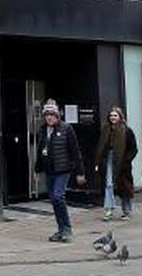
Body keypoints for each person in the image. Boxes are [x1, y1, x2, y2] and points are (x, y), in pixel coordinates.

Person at [34, 99, 84, 243]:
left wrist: (80, 172)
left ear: (57, 115)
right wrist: (37, 170)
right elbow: (40, 150)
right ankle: (61, 229)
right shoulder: (43, 130)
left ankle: (67, 229)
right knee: (54, 200)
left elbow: (75, 152)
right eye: (47, 115)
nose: (49, 117)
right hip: (49, 170)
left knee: (58, 196)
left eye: (52, 114)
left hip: (63, 169)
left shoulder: (67, 129)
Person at [94, 106, 137, 221]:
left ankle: (126, 211)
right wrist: (99, 160)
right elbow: (101, 146)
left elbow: (133, 149)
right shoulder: (105, 129)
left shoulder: (126, 131)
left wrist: (126, 160)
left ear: (120, 117)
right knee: (108, 184)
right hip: (108, 158)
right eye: (111, 115)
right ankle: (108, 210)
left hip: (122, 161)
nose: (112, 117)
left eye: (115, 115)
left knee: (124, 187)